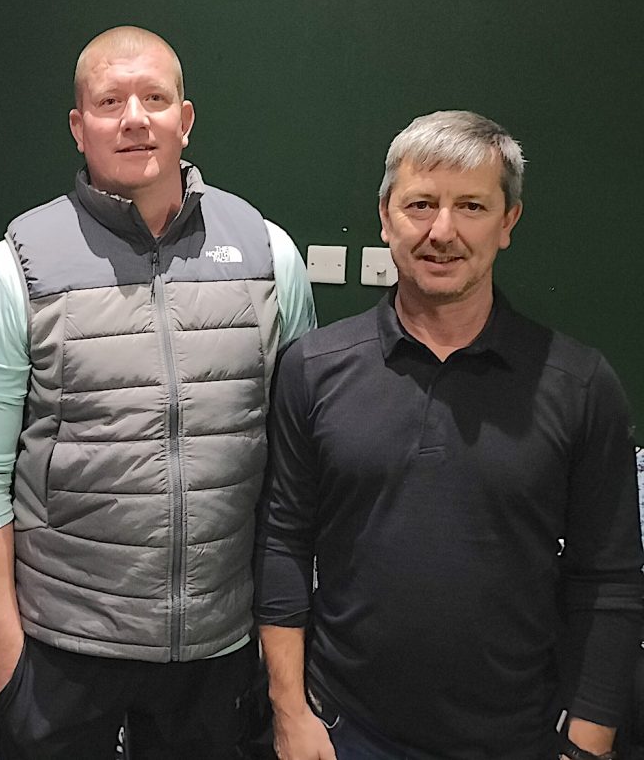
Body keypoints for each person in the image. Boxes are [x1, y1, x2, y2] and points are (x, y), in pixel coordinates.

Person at [0, 25, 316, 759]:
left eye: (154, 98)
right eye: (110, 101)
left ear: (185, 119)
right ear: (78, 126)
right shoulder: (15, 265)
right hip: (59, 654)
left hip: (218, 652)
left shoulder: (267, 253)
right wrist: (8, 663)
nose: (134, 118)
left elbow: (298, 468)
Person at [256, 110, 643, 759]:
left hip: (522, 738)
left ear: (507, 222)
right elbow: (283, 544)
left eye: (471, 206)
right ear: (385, 217)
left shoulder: (579, 384)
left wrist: (587, 743)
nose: (442, 231)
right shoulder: (312, 370)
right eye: (420, 204)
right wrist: (290, 711)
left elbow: (609, 580)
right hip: (346, 734)